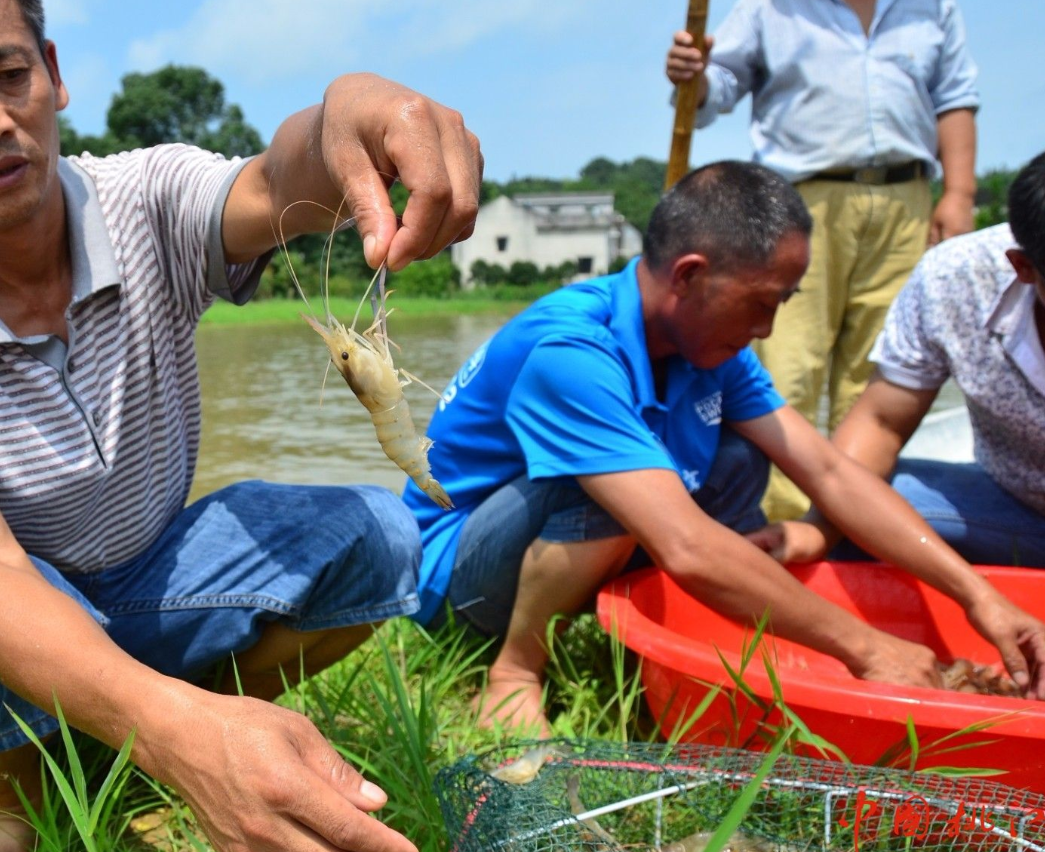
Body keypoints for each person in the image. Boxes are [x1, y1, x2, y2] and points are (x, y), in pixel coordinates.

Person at [0, 0, 481, 852]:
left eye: (8, 75)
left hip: (152, 581)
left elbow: (282, 180)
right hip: (5, 606)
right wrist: (176, 736)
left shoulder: (145, 196)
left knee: (381, 532)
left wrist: (347, 114)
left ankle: (183, 729)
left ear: (52, 71)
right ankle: (20, 796)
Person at [405, 162, 1045, 735]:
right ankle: (514, 674)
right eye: (762, 305)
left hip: (549, 550)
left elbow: (827, 471)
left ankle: (658, 632)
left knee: (740, 457)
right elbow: (683, 542)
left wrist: (976, 595)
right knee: (615, 489)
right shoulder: (570, 351)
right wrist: (870, 648)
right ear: (690, 276)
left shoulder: (709, 344)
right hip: (457, 580)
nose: (766, 329)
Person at [664, 0, 980, 520]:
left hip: (904, 199)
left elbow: (955, 96)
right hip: (797, 208)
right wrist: (692, 72)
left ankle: (860, 527)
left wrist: (961, 193)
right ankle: (779, 530)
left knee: (888, 366)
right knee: (789, 363)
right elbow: (718, 85)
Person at [763, 152, 1045, 568]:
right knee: (858, 505)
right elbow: (881, 422)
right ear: (1023, 267)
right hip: (1017, 506)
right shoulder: (955, 280)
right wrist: (820, 526)